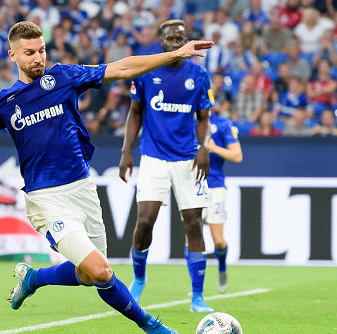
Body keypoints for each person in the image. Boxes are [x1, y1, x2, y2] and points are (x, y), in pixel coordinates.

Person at [0, 21, 213, 334]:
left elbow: (123, 69)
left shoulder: (64, 77)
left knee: (88, 275)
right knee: (101, 271)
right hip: (46, 198)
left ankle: (33, 278)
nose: (38, 58)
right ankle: (153, 326)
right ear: (12, 55)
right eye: (29, 52)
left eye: (42, 50)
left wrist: (176, 55)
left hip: (83, 189)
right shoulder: (4, 103)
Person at [118, 19, 214, 313]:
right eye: (171, 38)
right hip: (154, 158)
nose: (176, 42)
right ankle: (139, 278)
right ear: (161, 41)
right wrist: (126, 152)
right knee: (145, 221)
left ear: (187, 40)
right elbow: (135, 113)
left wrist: (203, 149)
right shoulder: (147, 72)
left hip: (188, 159)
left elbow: (203, 118)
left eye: (180, 38)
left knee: (194, 224)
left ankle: (197, 296)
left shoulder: (198, 74)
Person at [204, 110, 243, 293]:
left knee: (218, 240)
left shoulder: (222, 123)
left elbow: (237, 156)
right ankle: (197, 290)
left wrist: (214, 148)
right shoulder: (184, 116)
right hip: (189, 185)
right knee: (191, 239)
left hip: (215, 185)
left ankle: (222, 269)